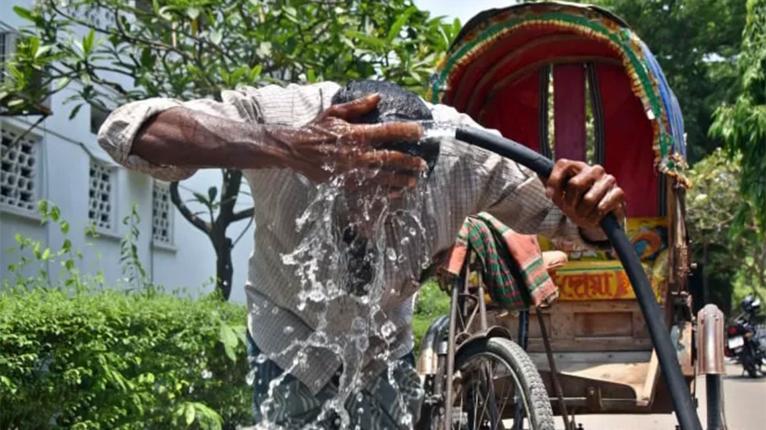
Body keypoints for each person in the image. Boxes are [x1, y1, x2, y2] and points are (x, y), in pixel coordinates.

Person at [98, 80, 624, 429]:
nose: (370, 217)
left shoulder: (466, 155)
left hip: (384, 348)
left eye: (393, 197)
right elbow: (128, 129)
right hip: (287, 339)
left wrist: (591, 207)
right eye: (357, 192)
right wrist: (284, 145)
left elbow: (576, 223)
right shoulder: (287, 118)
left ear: (426, 174)